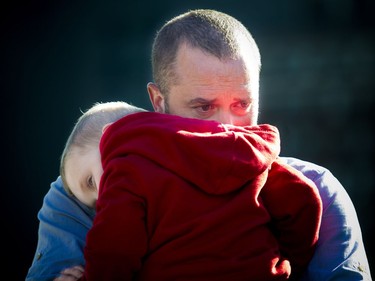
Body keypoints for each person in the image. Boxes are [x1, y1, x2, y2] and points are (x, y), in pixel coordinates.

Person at [26, 9, 372, 281]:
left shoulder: (319, 187)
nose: (226, 126)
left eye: (242, 104)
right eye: (203, 107)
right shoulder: (83, 192)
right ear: (158, 102)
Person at [58, 101, 322, 280]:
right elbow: (304, 198)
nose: (101, 199)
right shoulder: (238, 151)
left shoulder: (126, 170)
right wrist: (292, 258)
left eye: (91, 182)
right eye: (94, 204)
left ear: (108, 136)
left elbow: (113, 253)